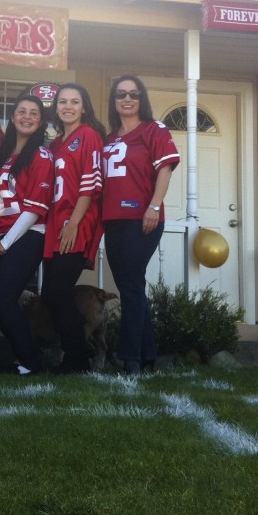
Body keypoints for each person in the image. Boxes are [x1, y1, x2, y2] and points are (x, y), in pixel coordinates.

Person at [101, 74, 180, 375]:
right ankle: (147, 354)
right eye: (121, 94)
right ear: (114, 100)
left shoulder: (154, 129)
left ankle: (129, 357)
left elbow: (165, 169)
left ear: (141, 99)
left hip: (142, 218)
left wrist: (154, 206)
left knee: (131, 284)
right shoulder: (110, 138)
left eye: (133, 94)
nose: (127, 99)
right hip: (113, 220)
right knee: (129, 286)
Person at [0, 94, 54, 374]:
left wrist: (7, 241)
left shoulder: (42, 155)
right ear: (12, 117)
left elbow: (35, 209)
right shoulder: (0, 152)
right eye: (21, 111)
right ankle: (23, 356)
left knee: (3, 296)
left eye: (34, 113)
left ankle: (31, 360)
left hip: (28, 235)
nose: (27, 116)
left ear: (40, 121)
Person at [41, 83, 106, 374]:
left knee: (57, 291)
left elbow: (90, 185)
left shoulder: (89, 136)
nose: (68, 106)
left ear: (84, 107)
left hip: (75, 224)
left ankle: (77, 359)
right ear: (56, 107)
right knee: (53, 295)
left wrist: (74, 224)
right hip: (55, 225)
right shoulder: (55, 145)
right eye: (63, 101)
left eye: (74, 102)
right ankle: (73, 354)